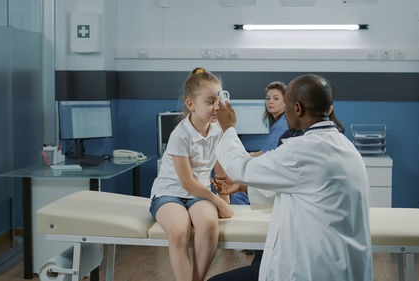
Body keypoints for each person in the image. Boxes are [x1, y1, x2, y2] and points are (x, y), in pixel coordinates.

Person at [212, 74, 373, 281]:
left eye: (286, 104)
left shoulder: (302, 150)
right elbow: (305, 190)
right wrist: (244, 188)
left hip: (311, 270)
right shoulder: (344, 146)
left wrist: (228, 128)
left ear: (297, 108)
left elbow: (241, 168)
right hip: (342, 265)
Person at [149, 67, 234, 281]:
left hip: (199, 194)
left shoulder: (219, 131)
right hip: (170, 192)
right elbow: (186, 182)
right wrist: (218, 201)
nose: (217, 107)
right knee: (179, 231)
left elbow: (221, 173)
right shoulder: (180, 134)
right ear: (191, 104)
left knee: (208, 224)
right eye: (210, 102)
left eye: (219, 100)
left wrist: (226, 201)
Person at [230, 81, 288, 205]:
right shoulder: (281, 122)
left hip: (278, 173)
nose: (270, 102)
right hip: (279, 171)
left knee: (238, 192)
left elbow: (266, 154)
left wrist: (244, 156)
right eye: (267, 98)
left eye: (276, 98)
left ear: (285, 103)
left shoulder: (282, 124)